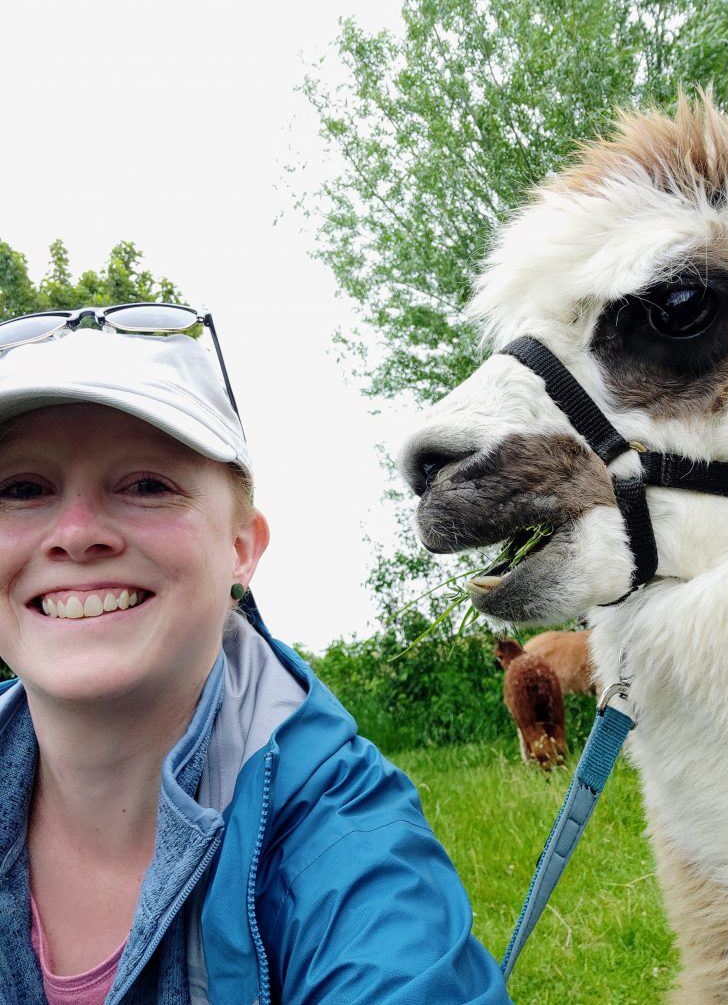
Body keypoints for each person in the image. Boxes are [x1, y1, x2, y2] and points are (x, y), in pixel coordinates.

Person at [0, 304, 511, 1004]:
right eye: (20, 489)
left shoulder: (347, 847)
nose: (77, 532)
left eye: (147, 484)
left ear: (242, 548)